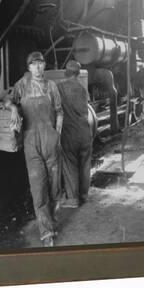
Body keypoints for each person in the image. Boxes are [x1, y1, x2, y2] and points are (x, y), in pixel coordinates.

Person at [5, 51, 63, 247]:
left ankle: (52, 220)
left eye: (40, 63)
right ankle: (46, 233)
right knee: (38, 189)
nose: (38, 67)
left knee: (54, 188)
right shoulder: (22, 85)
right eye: (34, 64)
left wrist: (58, 135)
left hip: (51, 141)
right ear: (28, 67)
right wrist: (13, 108)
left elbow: (59, 111)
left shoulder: (51, 86)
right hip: (31, 143)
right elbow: (8, 100)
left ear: (44, 66)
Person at [59, 60, 92, 208]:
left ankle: (72, 199)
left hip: (70, 132)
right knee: (85, 164)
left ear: (66, 72)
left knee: (70, 164)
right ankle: (84, 196)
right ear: (78, 74)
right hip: (85, 132)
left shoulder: (60, 88)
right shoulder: (82, 89)